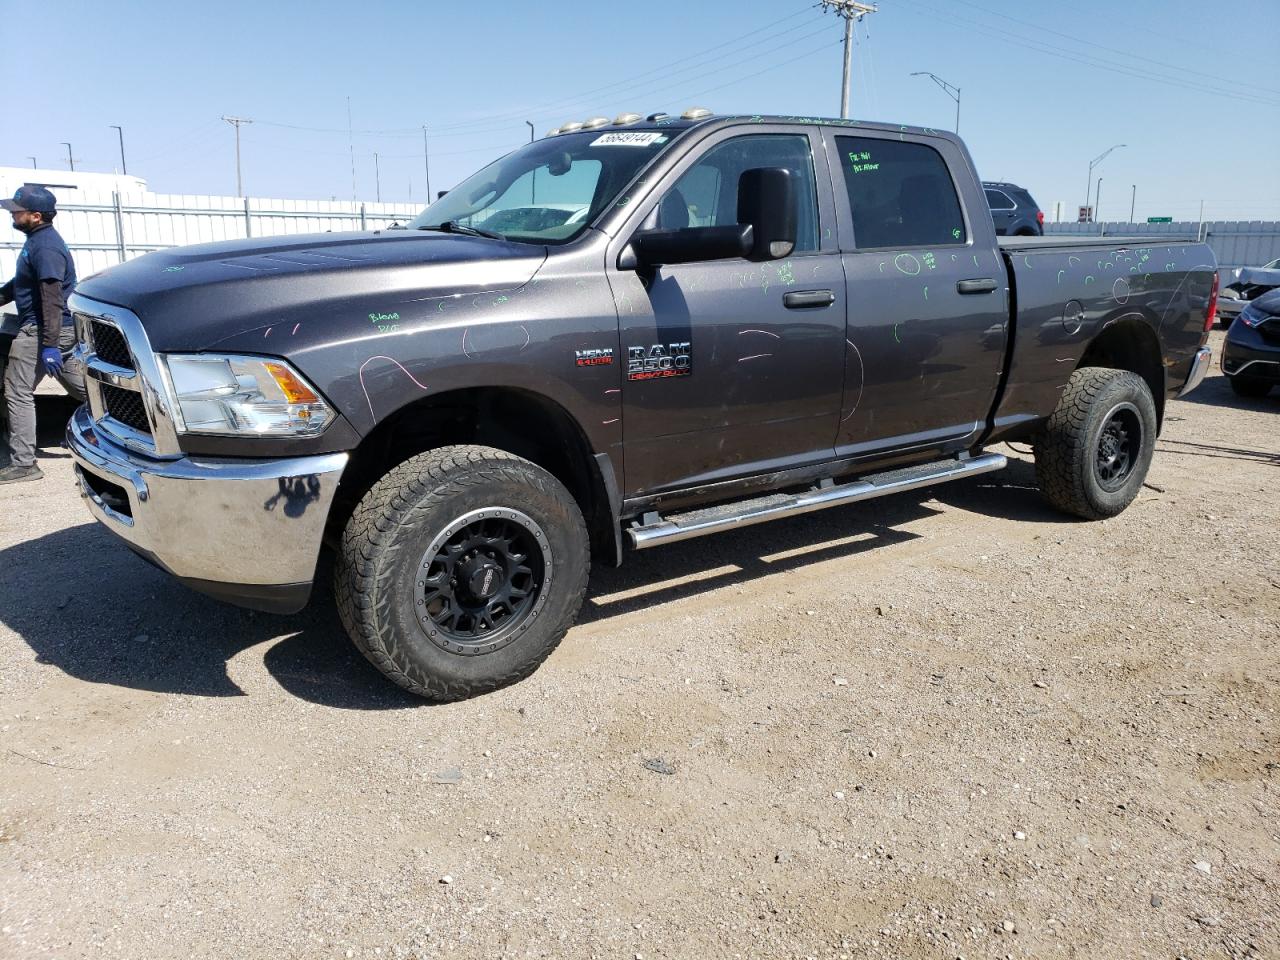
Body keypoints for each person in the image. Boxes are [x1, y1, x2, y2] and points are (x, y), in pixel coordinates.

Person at [0, 185, 85, 484]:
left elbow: (51, 298)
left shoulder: (46, 247)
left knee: (17, 391)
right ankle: (127, 428)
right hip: (51, 330)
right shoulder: (36, 241)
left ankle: (24, 464)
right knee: (88, 391)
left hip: (42, 329)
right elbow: (22, 281)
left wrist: (48, 345)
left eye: (17, 210)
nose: (12, 213)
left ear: (36, 216)